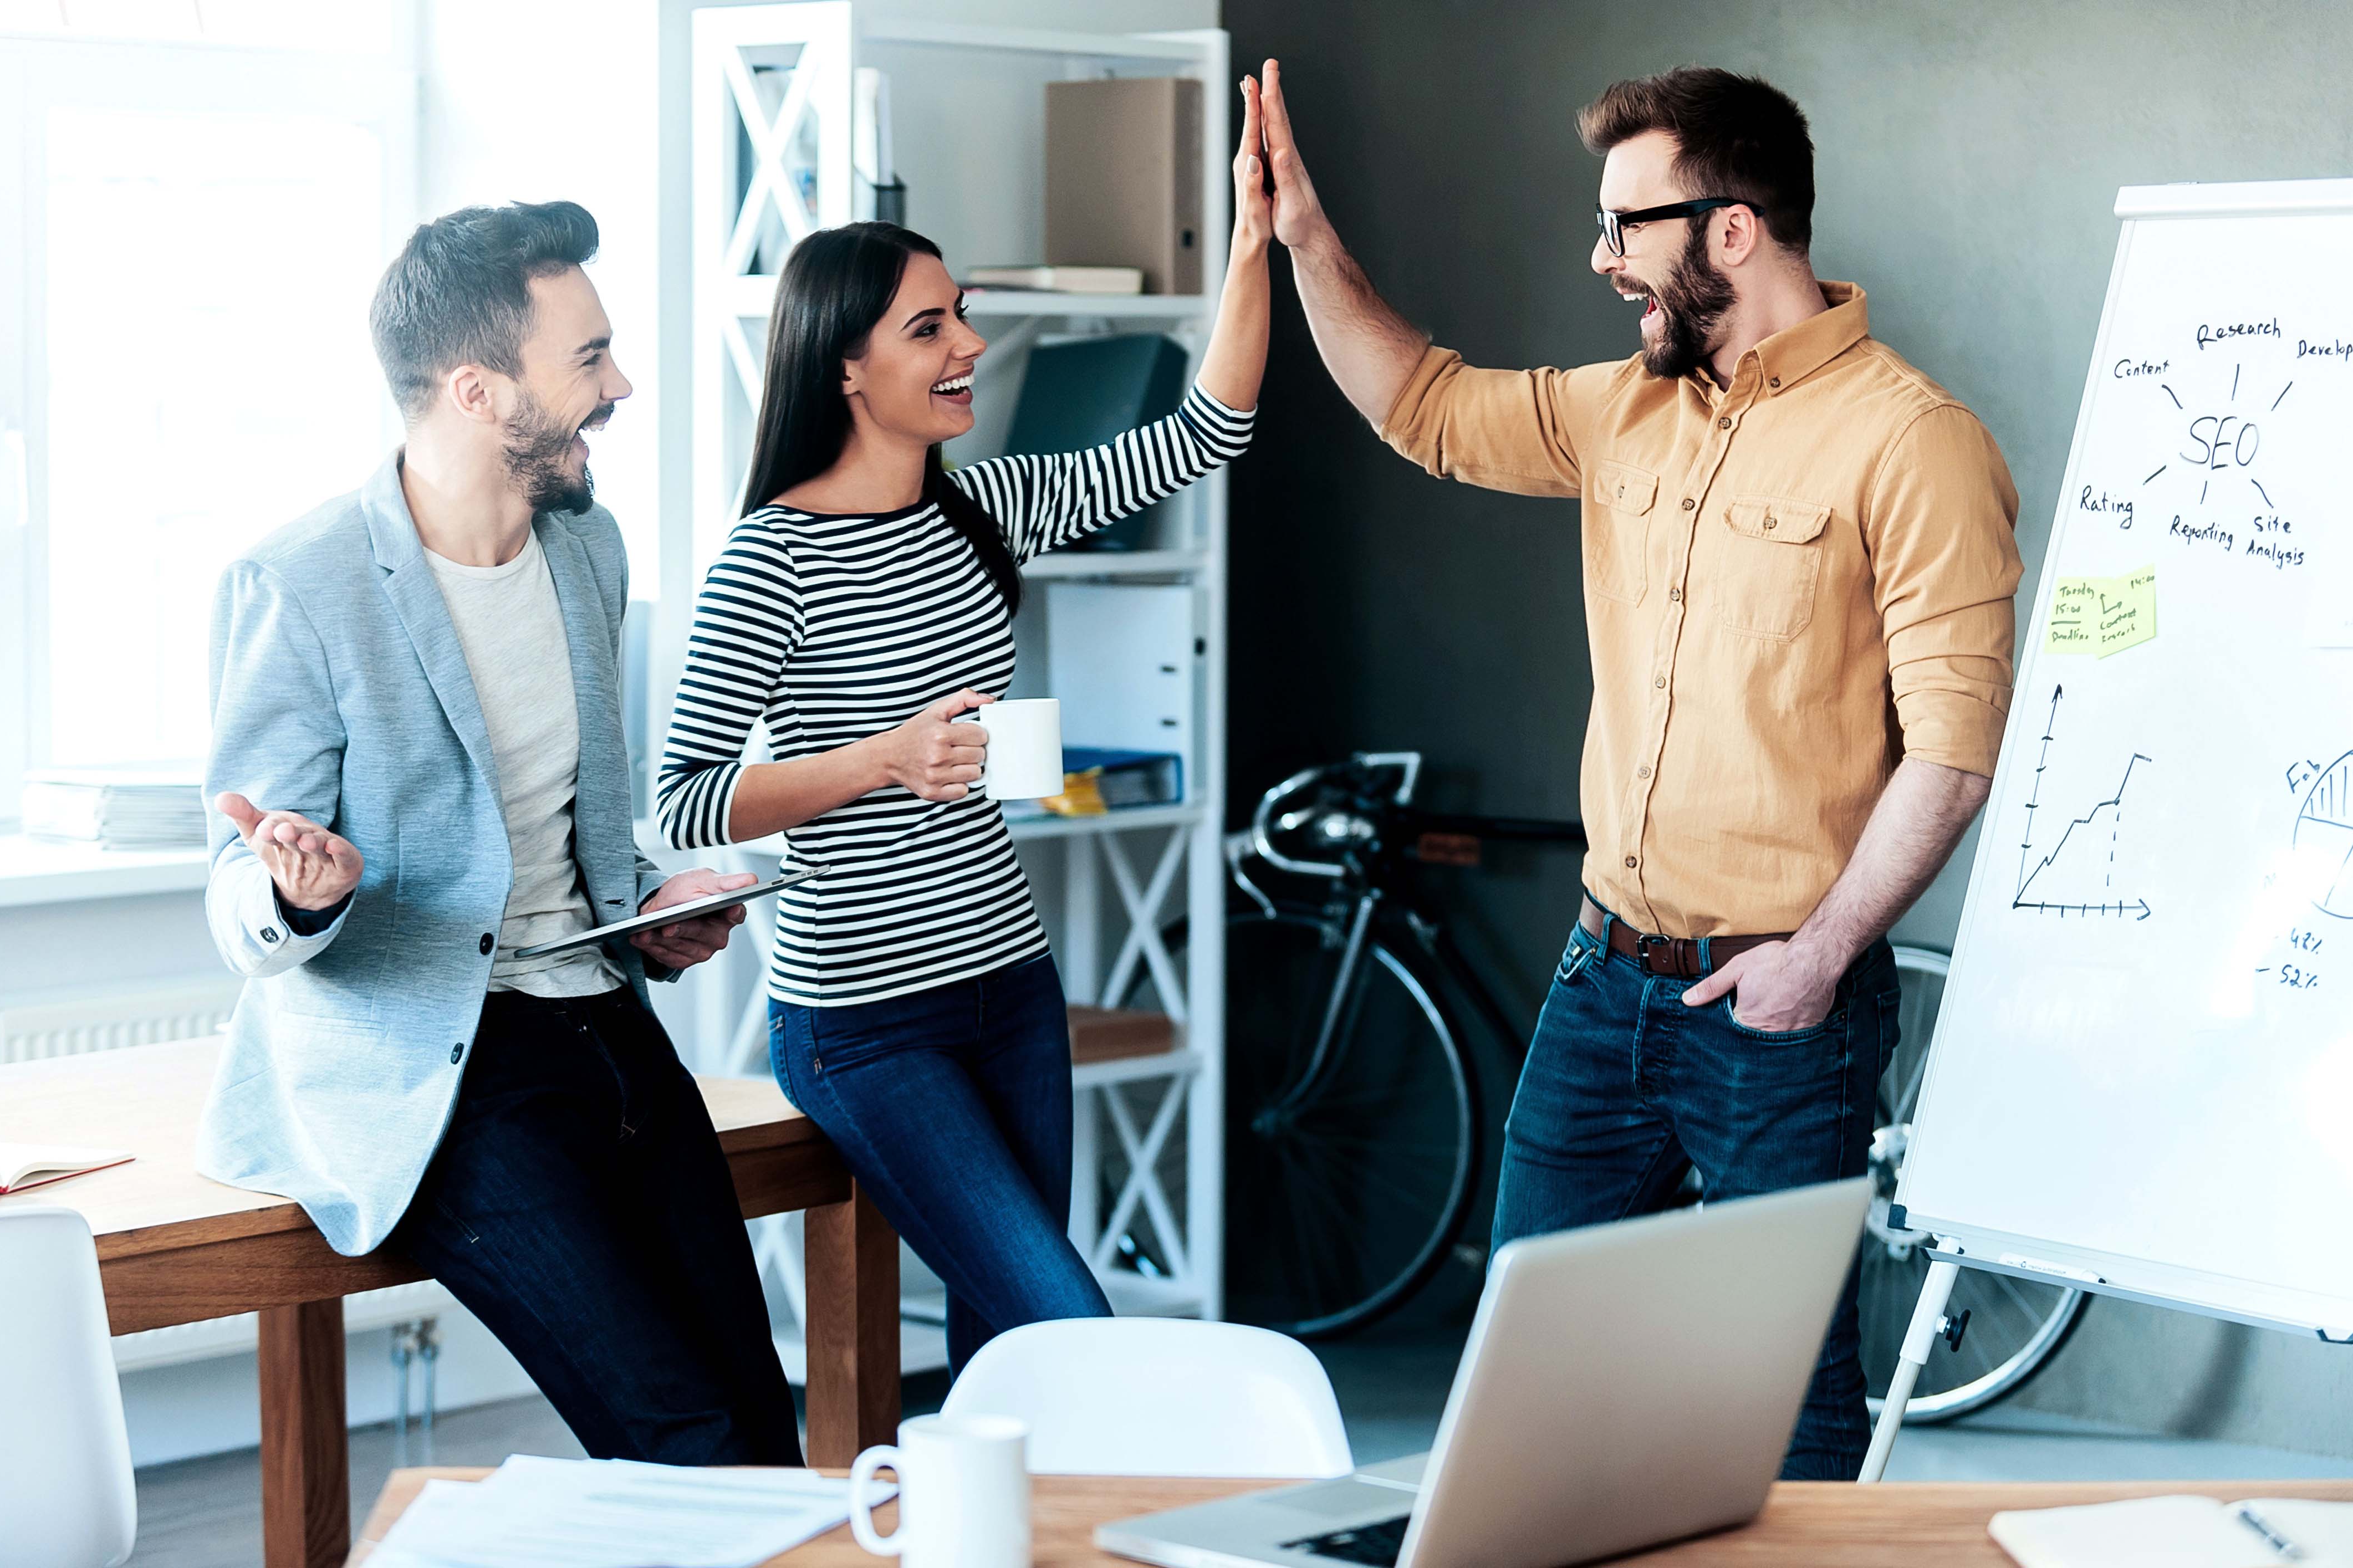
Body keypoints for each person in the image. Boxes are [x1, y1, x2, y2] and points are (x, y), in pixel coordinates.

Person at [1253, 60, 2023, 1477]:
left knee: (1782, 1396)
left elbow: (1957, 755)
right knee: (1531, 1375)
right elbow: (1417, 402)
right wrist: (1306, 241)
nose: (1600, 257)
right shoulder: (1625, 410)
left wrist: (1820, 953)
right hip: (1600, 982)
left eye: (1627, 225)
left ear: (1732, 230)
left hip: (1779, 1007)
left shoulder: (1916, 446)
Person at [656, 81, 1274, 1375]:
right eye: (928, 327)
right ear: (846, 364)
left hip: (1009, 986)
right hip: (864, 1024)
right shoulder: (768, 557)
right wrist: (882, 757)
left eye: (964, 318)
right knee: (1067, 1324)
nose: (969, 348)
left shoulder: (984, 508)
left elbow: (1208, 431)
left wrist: (1250, 240)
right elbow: (685, 801)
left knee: (1012, 1353)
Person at [200, 200, 802, 1465]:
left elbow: (582, 831)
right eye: (588, 359)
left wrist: (654, 903)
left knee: (756, 1419)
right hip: (443, 1063)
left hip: (602, 1017)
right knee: (682, 1433)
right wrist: (302, 893)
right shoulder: (298, 582)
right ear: (477, 390)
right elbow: (237, 891)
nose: (620, 384)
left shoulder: (587, 550)